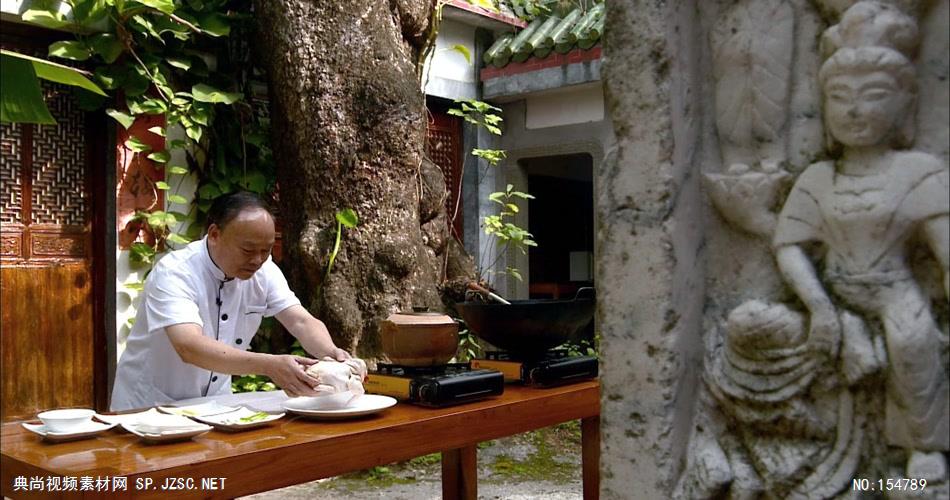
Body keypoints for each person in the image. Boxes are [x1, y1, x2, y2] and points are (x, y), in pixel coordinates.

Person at [773, 1, 948, 477]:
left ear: (904, 104)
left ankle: (921, 452)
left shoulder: (918, 173)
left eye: (873, 94)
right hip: (833, 296)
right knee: (755, 326)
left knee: (913, 341)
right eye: (840, 95)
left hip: (895, 292)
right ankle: (789, 440)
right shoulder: (818, 177)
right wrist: (820, 307)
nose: (854, 109)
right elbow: (788, 245)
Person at [111, 191, 350, 411]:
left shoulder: (264, 270)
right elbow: (189, 346)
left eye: (266, 251)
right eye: (248, 250)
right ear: (215, 235)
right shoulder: (175, 272)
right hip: (150, 405)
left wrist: (332, 354)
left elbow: (300, 321)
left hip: (216, 404)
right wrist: (269, 365)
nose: (257, 260)